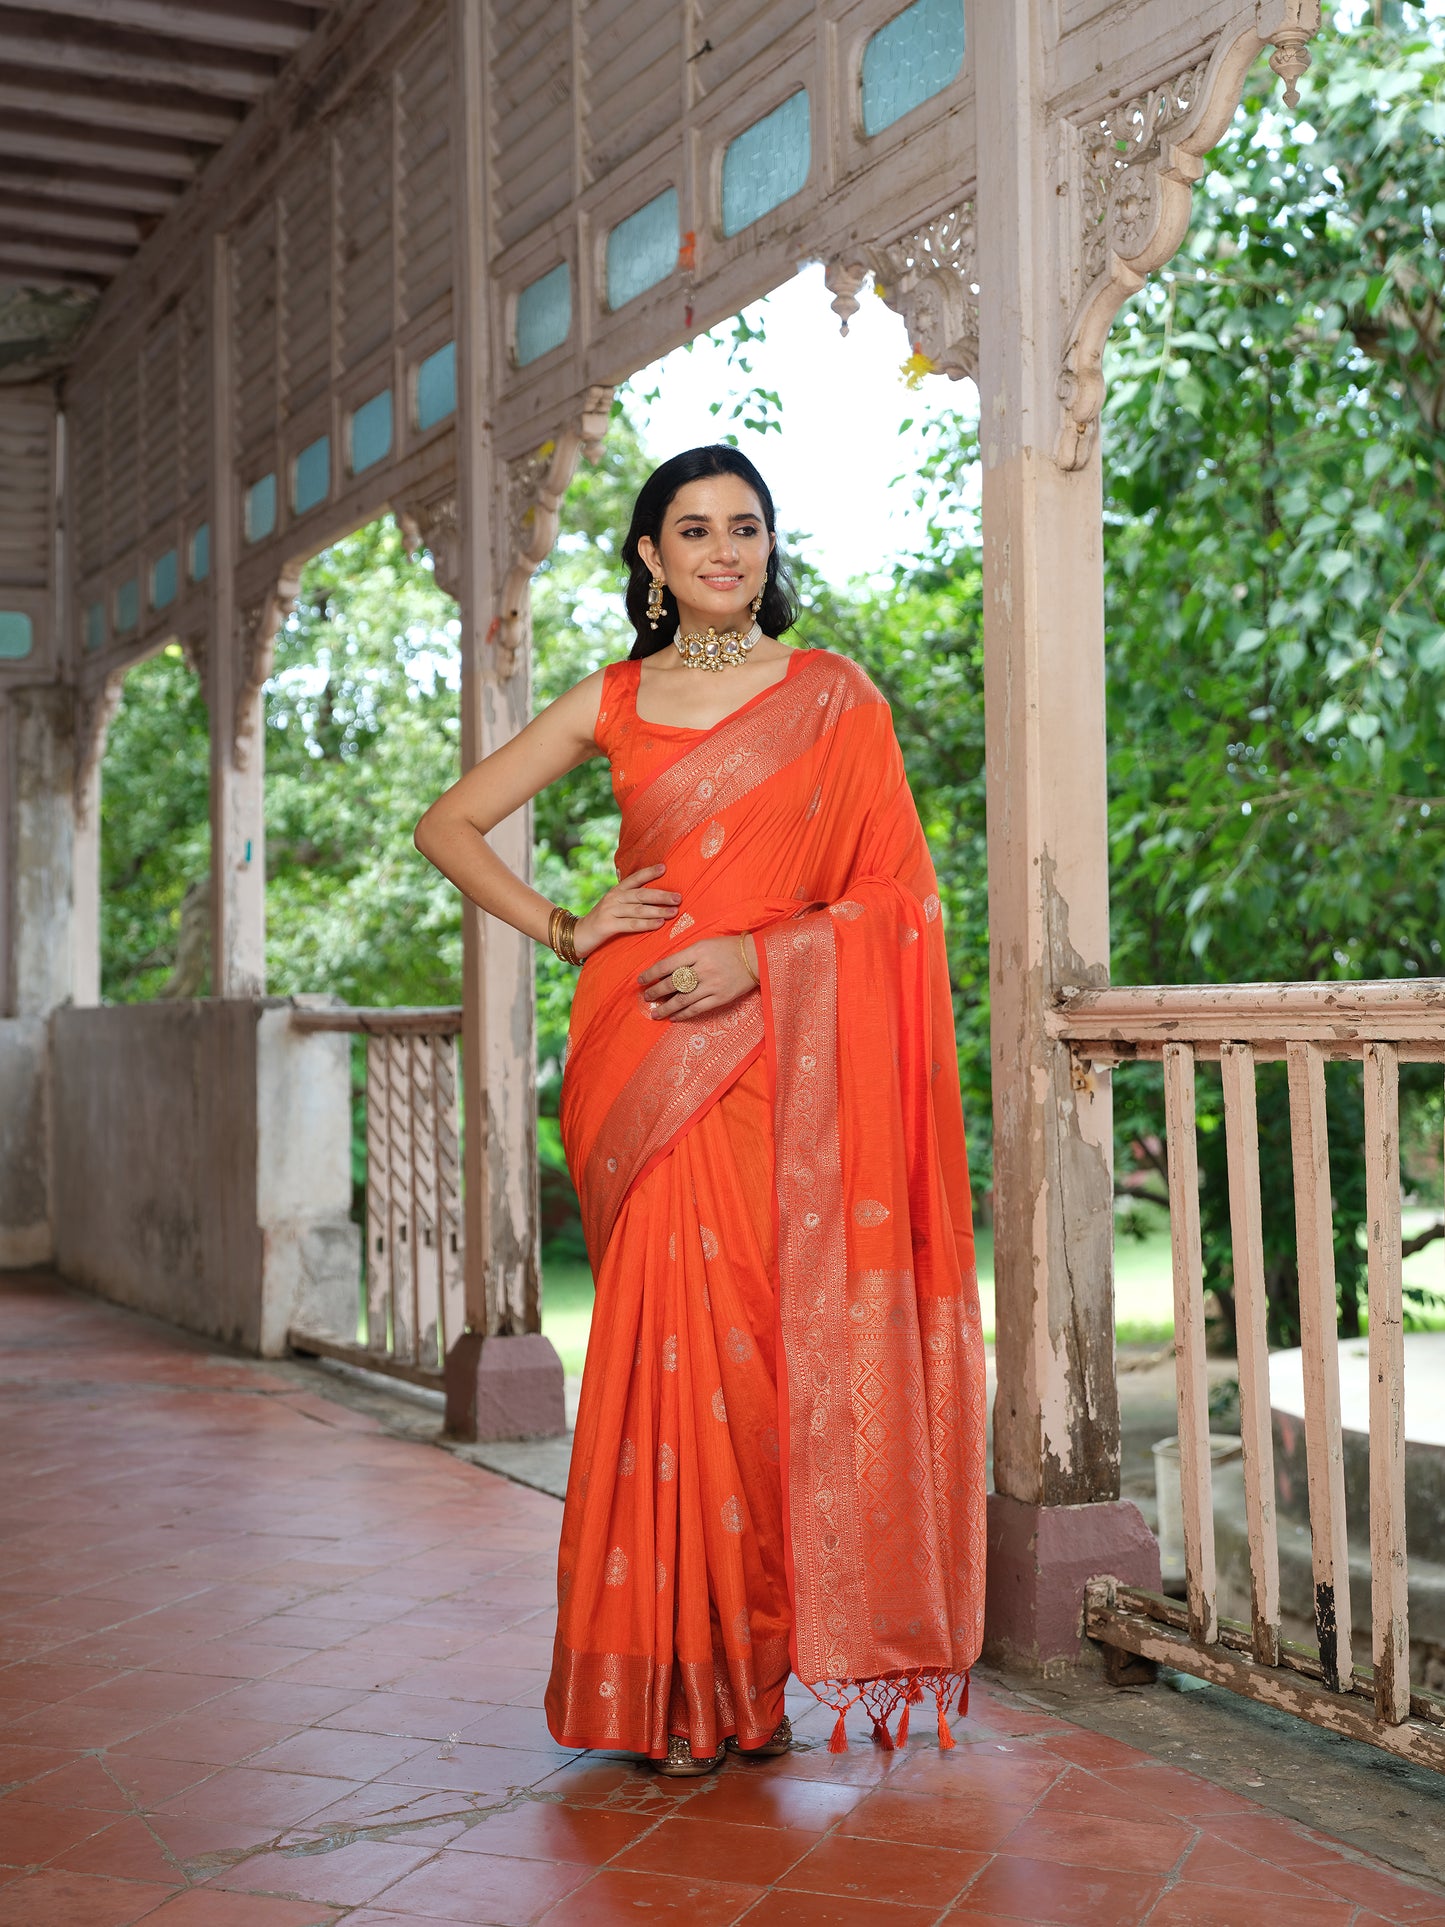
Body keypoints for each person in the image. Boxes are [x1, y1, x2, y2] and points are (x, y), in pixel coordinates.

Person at [415, 445, 986, 1777]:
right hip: (644, 1056)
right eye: (692, 530)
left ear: (766, 547)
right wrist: (566, 928)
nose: (722, 550)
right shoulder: (612, 699)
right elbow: (450, 825)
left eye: (744, 527)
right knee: (664, 1369)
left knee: (757, 1369)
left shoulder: (833, 697)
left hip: (774, 1066)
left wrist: (762, 954)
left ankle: (743, 1683)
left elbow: (901, 903)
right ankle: (665, 1692)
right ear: (649, 559)